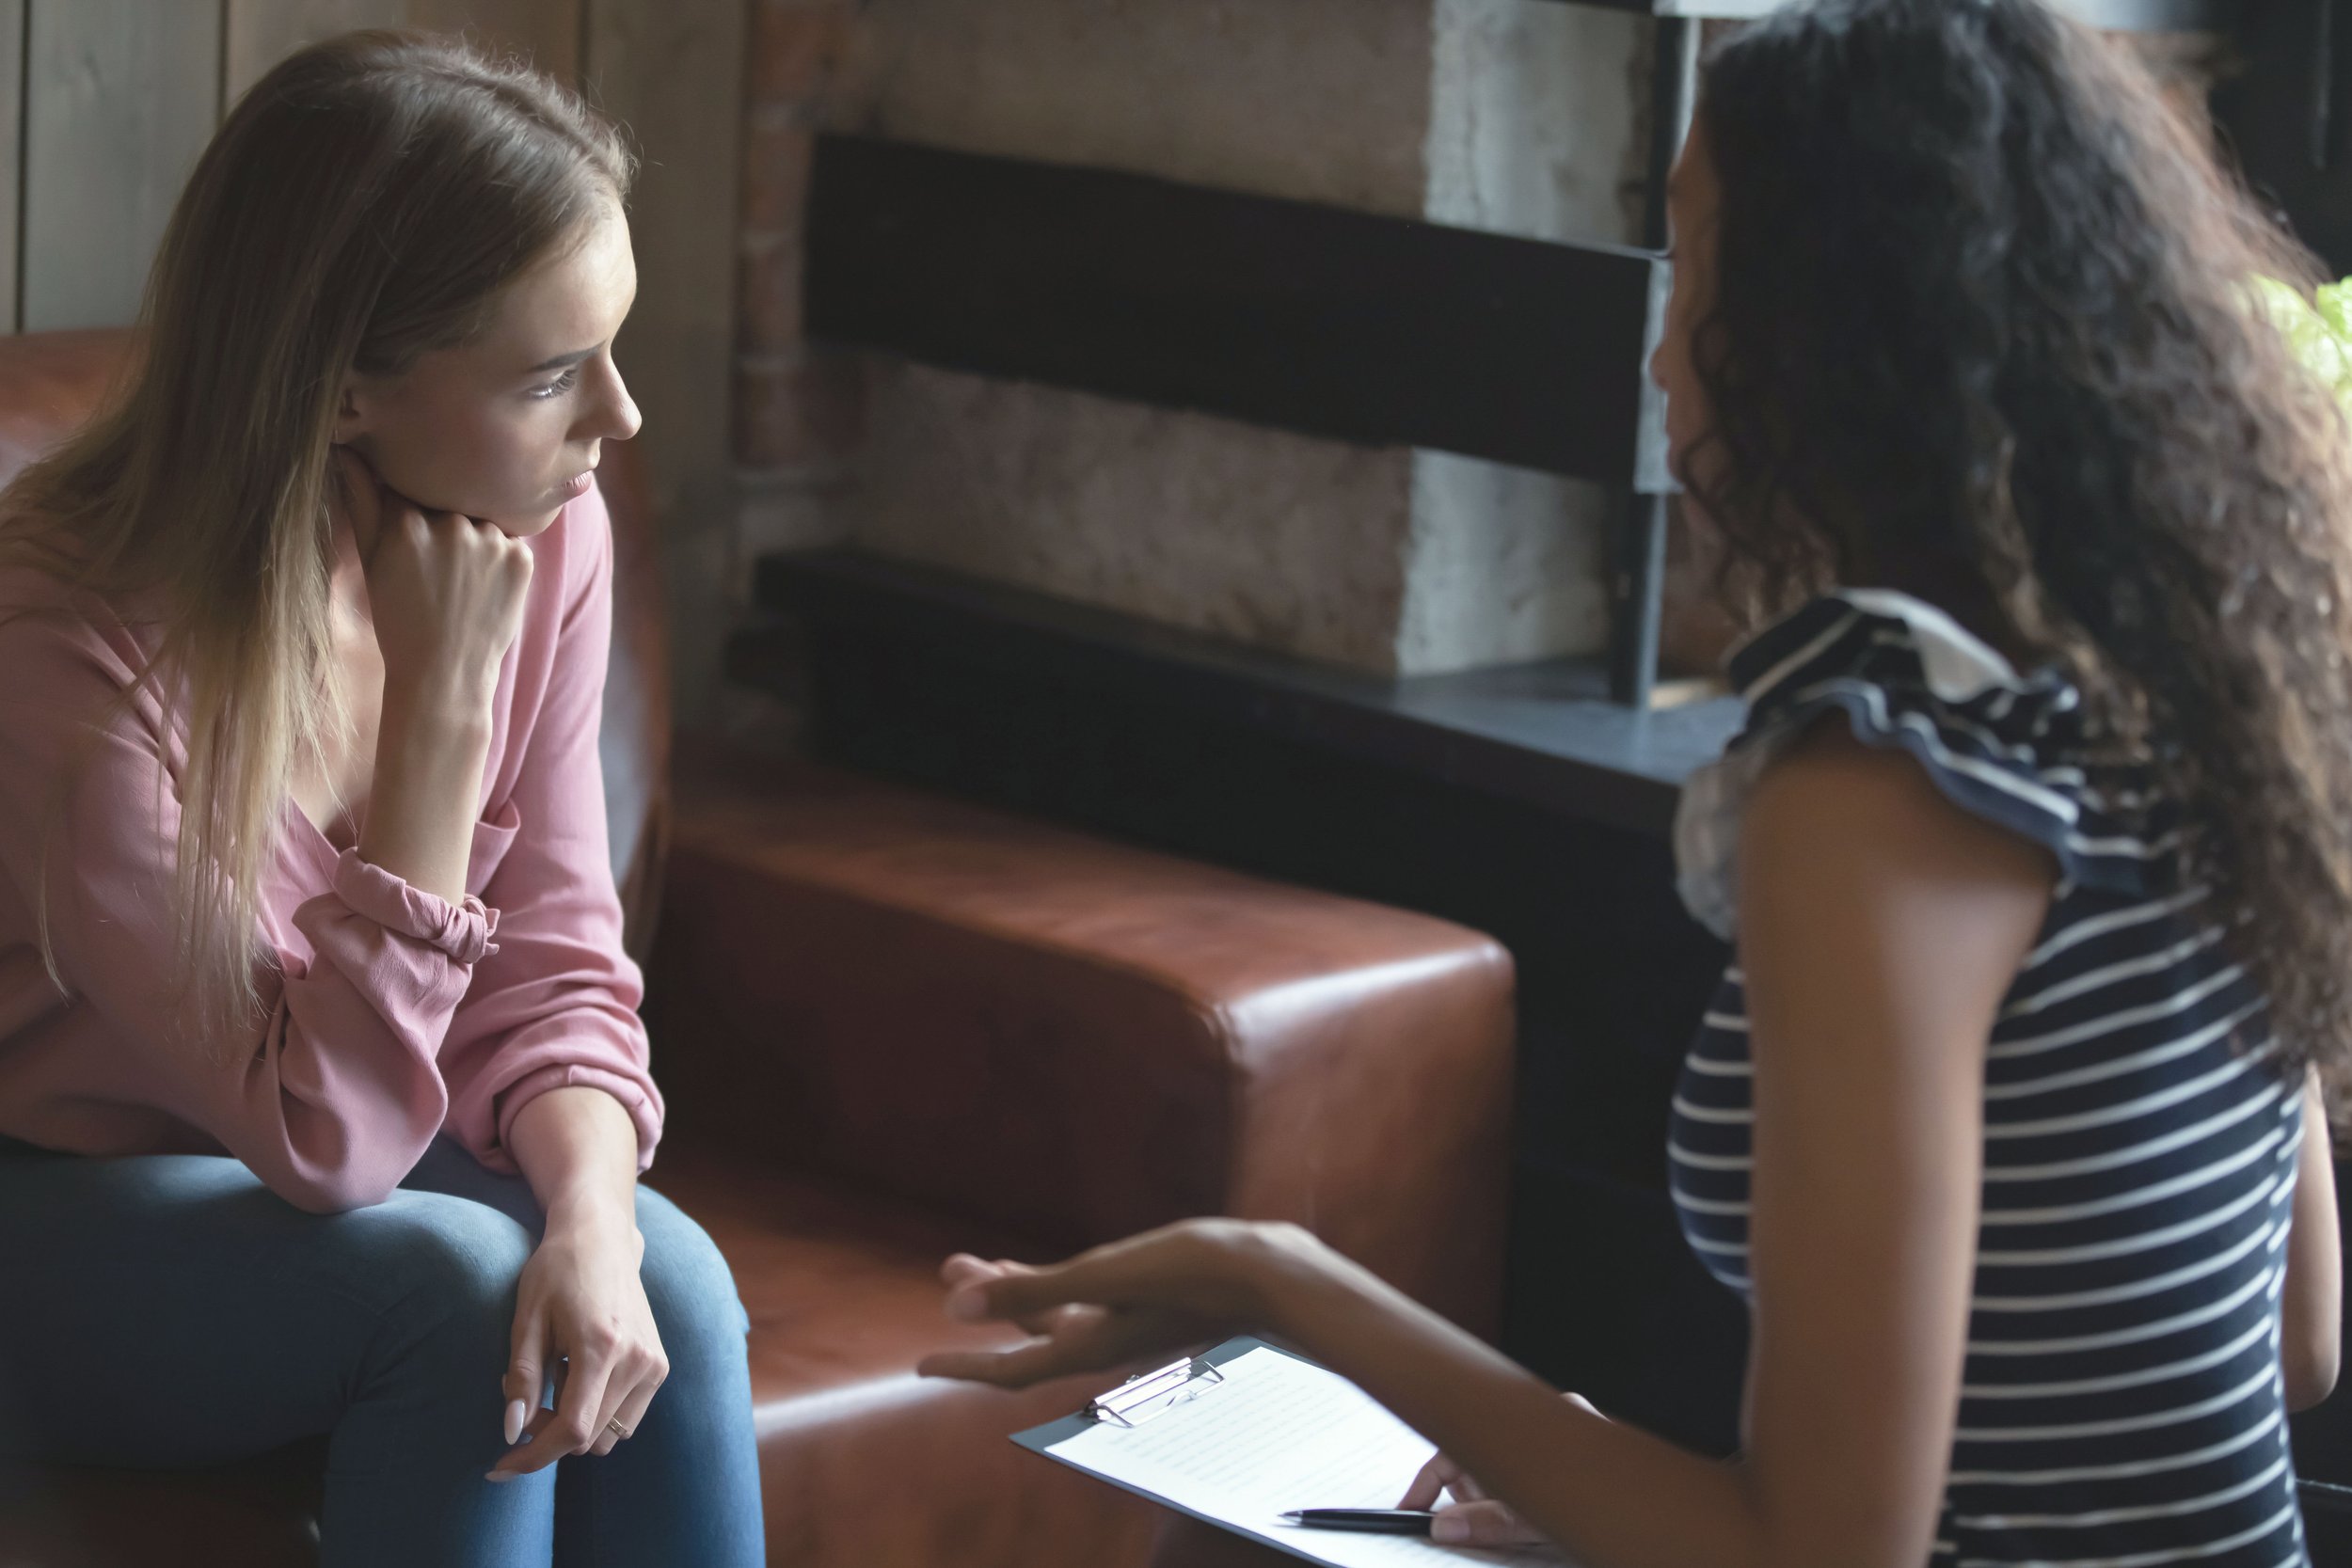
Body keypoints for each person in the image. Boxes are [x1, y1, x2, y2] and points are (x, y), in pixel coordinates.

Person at [920, 3, 2351, 1564]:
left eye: (1691, 265)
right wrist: (1601, 1496)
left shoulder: (1884, 788)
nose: (1663, 350)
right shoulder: (2200, 705)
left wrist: (1287, 1287)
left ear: (1833, 320)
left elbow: (1824, 1558)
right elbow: (2295, 1347)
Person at [0, 32, 762, 1568]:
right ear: (344, 393)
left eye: (610, 349)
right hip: (57, 1207)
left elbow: (554, 971)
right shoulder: (62, 647)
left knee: (664, 1282)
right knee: (456, 1295)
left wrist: (594, 1226)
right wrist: (438, 728)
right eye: (551, 375)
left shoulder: (540, 531)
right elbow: (324, 1137)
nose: (619, 419)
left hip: (311, 1177)